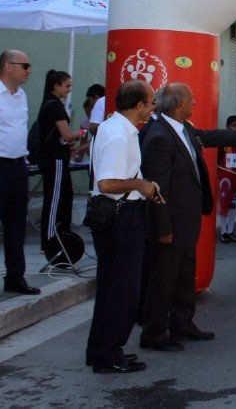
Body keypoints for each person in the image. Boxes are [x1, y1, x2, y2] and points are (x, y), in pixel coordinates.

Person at [139, 82, 236, 350]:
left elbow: (210, 136)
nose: (195, 104)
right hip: (171, 223)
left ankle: (182, 324)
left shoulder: (184, 129)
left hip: (187, 220)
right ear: (179, 104)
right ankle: (154, 334)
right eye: (191, 100)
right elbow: (158, 189)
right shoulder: (159, 136)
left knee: (183, 277)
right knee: (163, 280)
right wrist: (164, 227)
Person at [85, 80, 161, 373]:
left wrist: (145, 185)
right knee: (123, 290)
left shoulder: (115, 127)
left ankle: (100, 348)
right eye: (151, 102)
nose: (153, 108)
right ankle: (108, 353)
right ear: (139, 105)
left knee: (109, 287)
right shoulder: (118, 134)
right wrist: (141, 185)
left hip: (119, 214)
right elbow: (107, 182)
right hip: (120, 217)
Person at [0, 50, 39, 295]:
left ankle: (15, 276)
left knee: (16, 224)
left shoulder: (21, 95)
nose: (29, 70)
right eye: (24, 65)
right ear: (7, 66)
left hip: (18, 165)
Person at [37, 70, 85, 253]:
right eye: (67, 86)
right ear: (56, 86)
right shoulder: (54, 106)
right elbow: (66, 134)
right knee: (55, 199)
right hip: (54, 159)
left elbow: (61, 137)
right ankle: (48, 241)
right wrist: (81, 133)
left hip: (59, 156)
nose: (69, 90)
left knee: (65, 196)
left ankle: (60, 236)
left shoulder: (52, 104)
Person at [217, 116, 236, 244]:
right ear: (228, 127)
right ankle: (223, 231)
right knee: (224, 203)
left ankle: (231, 231)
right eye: (234, 126)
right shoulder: (222, 141)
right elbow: (217, 158)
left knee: (233, 203)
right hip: (225, 176)